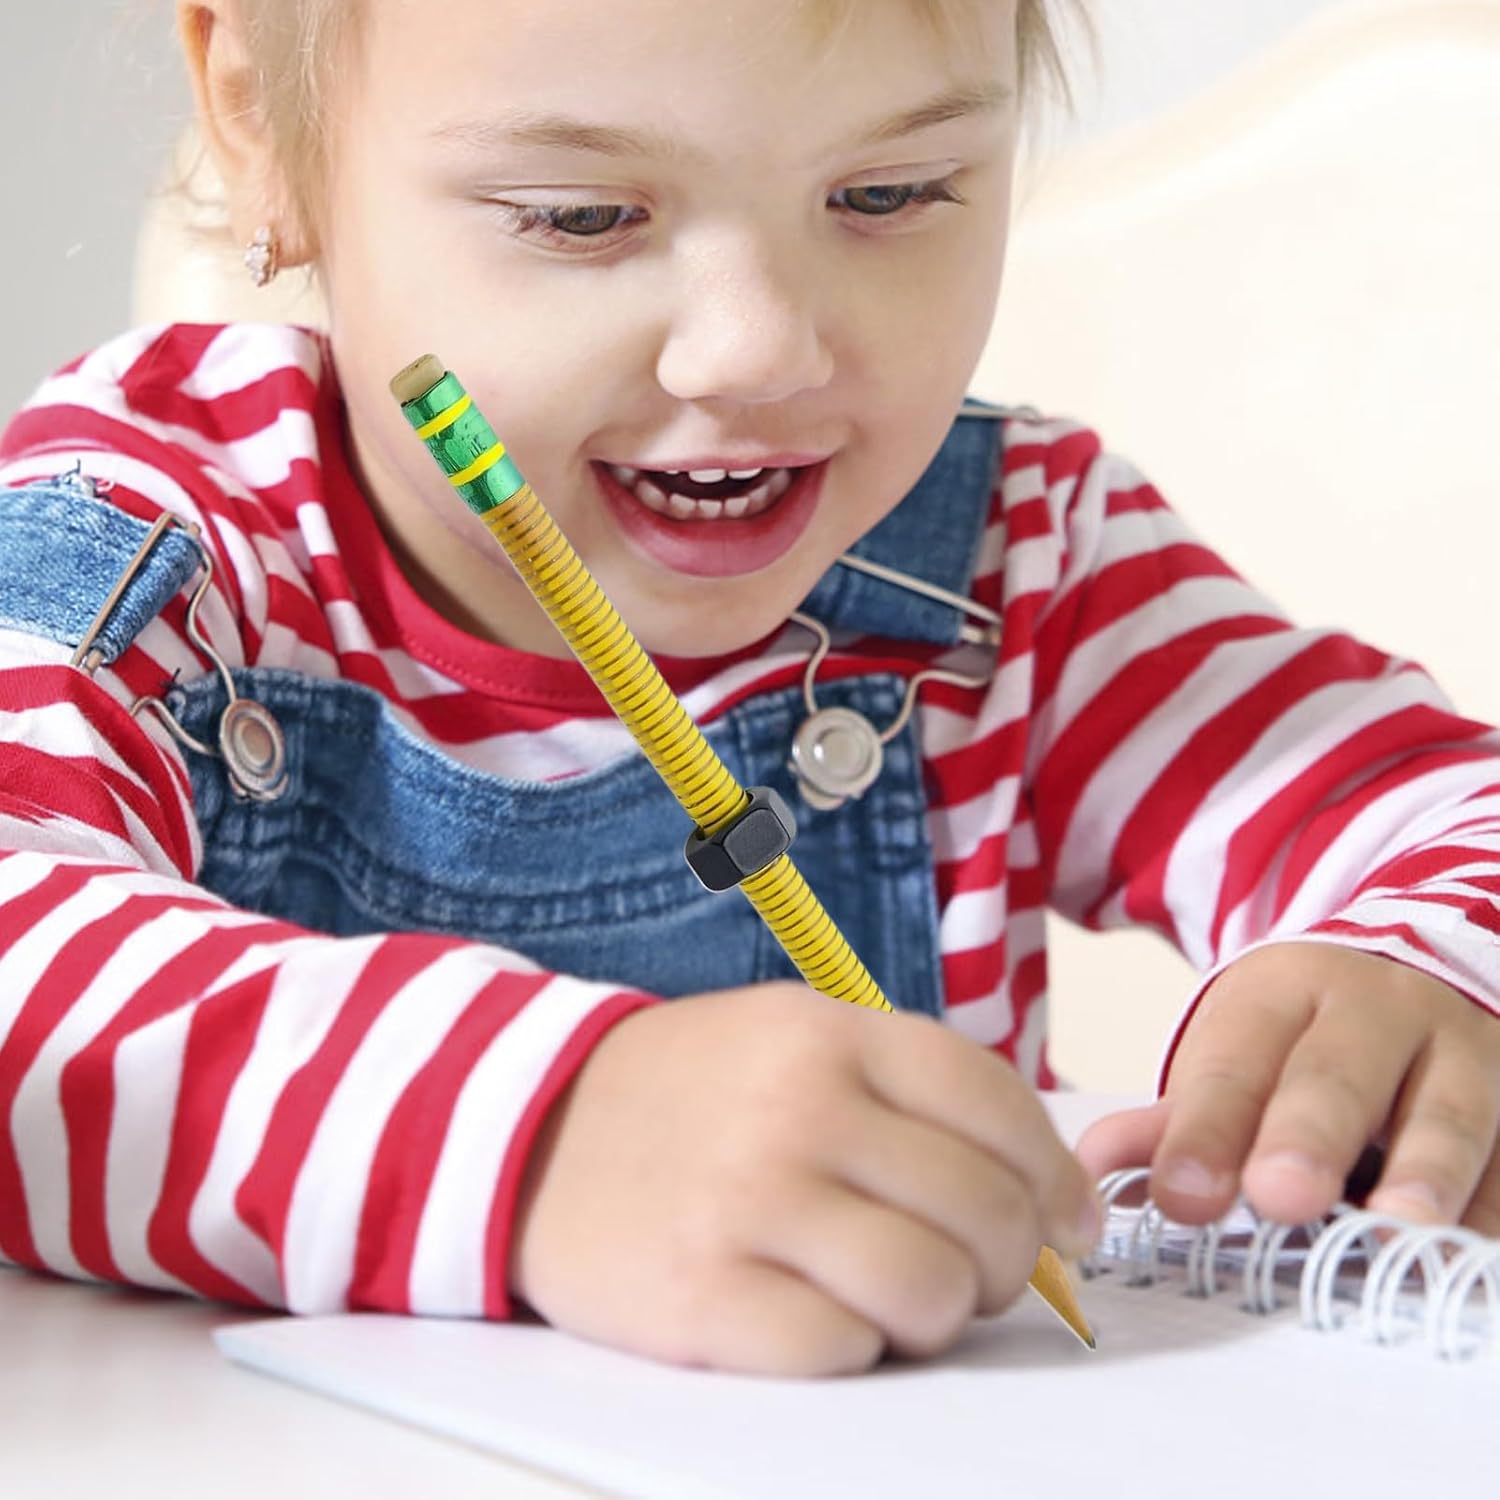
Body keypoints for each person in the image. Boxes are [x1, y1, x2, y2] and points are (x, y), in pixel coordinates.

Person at [1, 0, 1497, 1378]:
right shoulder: (147, 541)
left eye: (890, 193)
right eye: (583, 215)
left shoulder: (1011, 562)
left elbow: (1450, 809)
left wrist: (1426, 973)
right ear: (259, 120)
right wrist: (549, 1134)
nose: (759, 351)